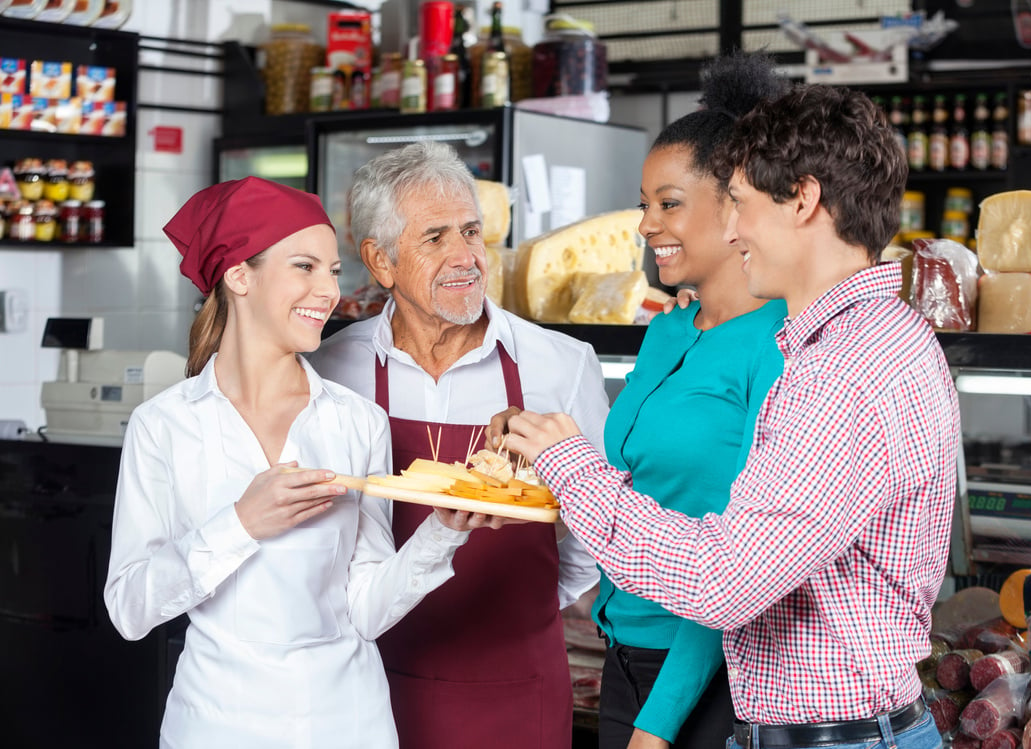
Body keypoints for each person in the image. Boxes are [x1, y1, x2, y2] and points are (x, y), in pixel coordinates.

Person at [505, 84, 959, 749]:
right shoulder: (884, 335)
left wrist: (574, 469)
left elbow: (724, 582)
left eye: (741, 204)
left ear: (802, 200)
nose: (731, 229)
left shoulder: (840, 373)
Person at [103, 176, 497, 749]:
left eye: (333, 271)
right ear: (239, 275)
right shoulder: (164, 426)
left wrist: (442, 532)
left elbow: (365, 611)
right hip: (216, 724)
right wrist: (240, 523)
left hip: (347, 722)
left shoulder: (357, 421)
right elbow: (130, 608)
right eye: (304, 267)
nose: (328, 291)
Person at [307, 142, 606, 749]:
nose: (465, 256)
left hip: (516, 677)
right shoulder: (335, 367)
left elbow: (599, 527)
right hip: (372, 676)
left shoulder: (560, 363)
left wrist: (527, 606)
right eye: (435, 237)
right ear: (380, 261)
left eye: (472, 231)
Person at [593, 52, 788, 749]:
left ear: (735, 204)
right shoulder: (668, 329)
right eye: (645, 203)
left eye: (668, 203)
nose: (647, 224)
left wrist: (659, 720)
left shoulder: (780, 346)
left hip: (708, 685)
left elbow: (742, 561)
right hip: (623, 658)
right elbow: (637, 478)